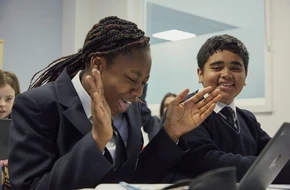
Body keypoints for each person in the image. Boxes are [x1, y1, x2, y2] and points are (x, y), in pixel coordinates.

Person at [8, 16, 222, 190]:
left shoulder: (131, 108)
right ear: (98, 64)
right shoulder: (37, 105)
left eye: (144, 83)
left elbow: (136, 178)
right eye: (131, 79)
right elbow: (30, 187)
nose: (138, 93)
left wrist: (170, 133)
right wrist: (95, 142)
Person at [161, 34, 290, 184]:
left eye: (235, 68)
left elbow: (275, 154)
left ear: (245, 75)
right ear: (200, 74)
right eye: (217, 67)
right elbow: (206, 163)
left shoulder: (247, 119)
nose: (227, 74)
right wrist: (271, 167)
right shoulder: (187, 110)